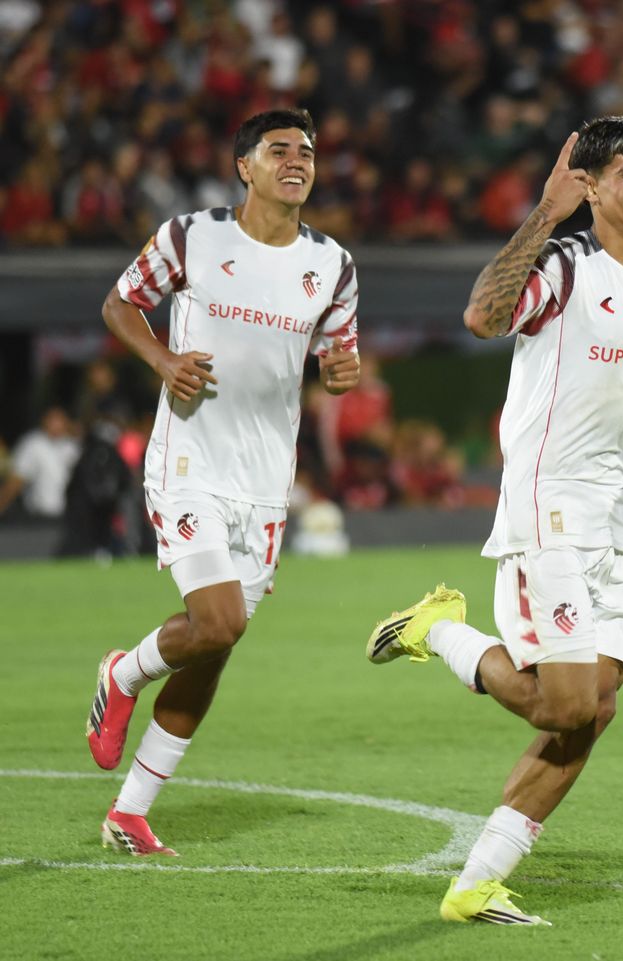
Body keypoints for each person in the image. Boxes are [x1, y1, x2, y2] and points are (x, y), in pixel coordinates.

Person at [366, 116, 623, 926]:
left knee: (597, 706)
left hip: (620, 520)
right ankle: (441, 631)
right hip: (549, 503)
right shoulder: (563, 264)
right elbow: (484, 318)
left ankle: (476, 884)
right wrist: (545, 213)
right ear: (590, 186)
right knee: (563, 706)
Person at [84, 108, 361, 856]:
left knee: (216, 645)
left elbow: (340, 361)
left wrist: (341, 372)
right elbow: (120, 304)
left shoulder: (333, 264)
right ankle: (122, 670)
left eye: (307, 150)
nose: (297, 160)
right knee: (217, 622)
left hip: (266, 477)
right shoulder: (192, 236)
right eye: (279, 150)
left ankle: (131, 811)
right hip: (191, 460)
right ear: (245, 166)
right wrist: (164, 360)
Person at [0, 406, 80, 519]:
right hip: (39, 518)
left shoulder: (75, 446)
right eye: (52, 419)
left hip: (69, 518)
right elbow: (15, 482)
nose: (56, 424)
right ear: (44, 421)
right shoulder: (33, 444)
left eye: (60, 420)